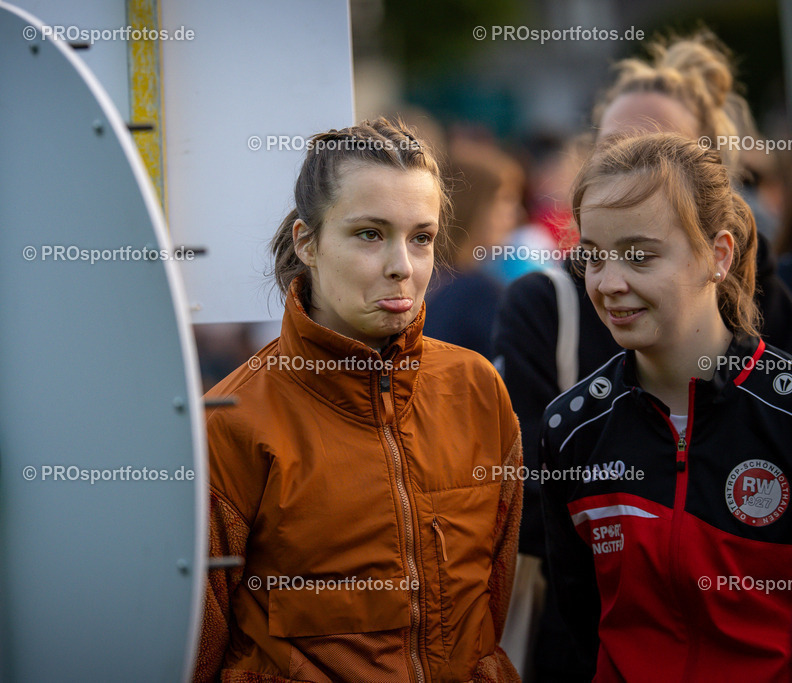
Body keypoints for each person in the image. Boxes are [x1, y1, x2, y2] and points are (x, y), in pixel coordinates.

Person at [491, 31, 792, 680]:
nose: (608, 281)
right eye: (595, 255)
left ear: (718, 253)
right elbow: (583, 622)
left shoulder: (782, 408)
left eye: (640, 254)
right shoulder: (572, 427)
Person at [193, 118, 523, 682]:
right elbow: (199, 650)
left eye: (421, 237)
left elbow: (490, 609)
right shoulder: (231, 421)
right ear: (308, 242)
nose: (402, 266)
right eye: (370, 234)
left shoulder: (476, 389)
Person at [425, 136, 526, 359]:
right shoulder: (479, 292)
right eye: (505, 199)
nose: (517, 214)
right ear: (472, 205)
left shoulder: (424, 275)